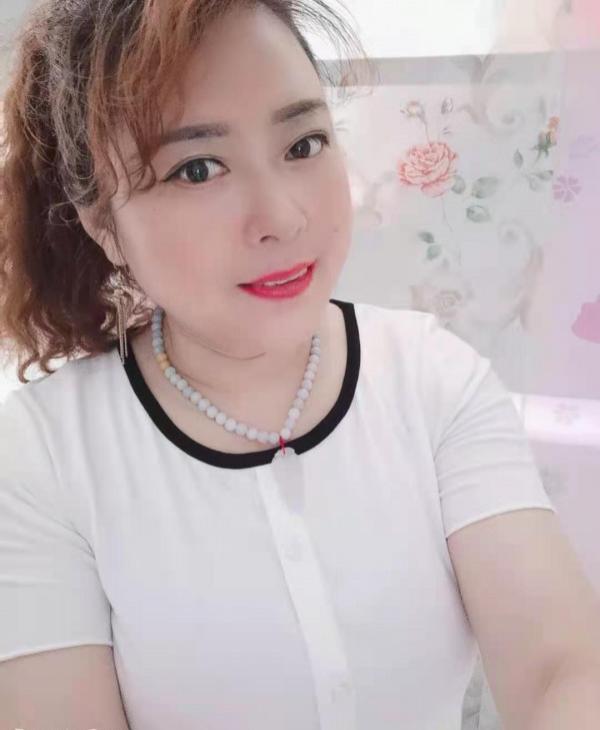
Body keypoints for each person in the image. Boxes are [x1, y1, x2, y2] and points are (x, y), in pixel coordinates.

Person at [1, 1, 600, 729]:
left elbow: (560, 669)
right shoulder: (43, 453)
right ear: (103, 223)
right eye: (197, 169)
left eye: (303, 143)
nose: (281, 217)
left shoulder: (434, 380)